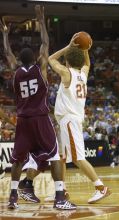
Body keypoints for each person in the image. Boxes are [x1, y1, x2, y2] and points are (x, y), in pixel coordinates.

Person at [0, 5, 76, 210]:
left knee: (17, 160)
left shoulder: (15, 71)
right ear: (34, 59)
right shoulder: (40, 69)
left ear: (19, 60)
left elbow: (7, 53)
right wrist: (41, 20)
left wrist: (5, 35)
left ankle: (13, 197)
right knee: (53, 155)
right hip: (40, 118)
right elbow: (45, 42)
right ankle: (60, 197)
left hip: (23, 121)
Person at [48, 34, 110, 204]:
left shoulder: (66, 73)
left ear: (67, 61)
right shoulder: (84, 73)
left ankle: (100, 188)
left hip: (69, 120)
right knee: (62, 157)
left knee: (77, 158)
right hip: (69, 120)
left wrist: (69, 46)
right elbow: (88, 63)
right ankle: (62, 191)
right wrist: (85, 50)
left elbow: (51, 59)